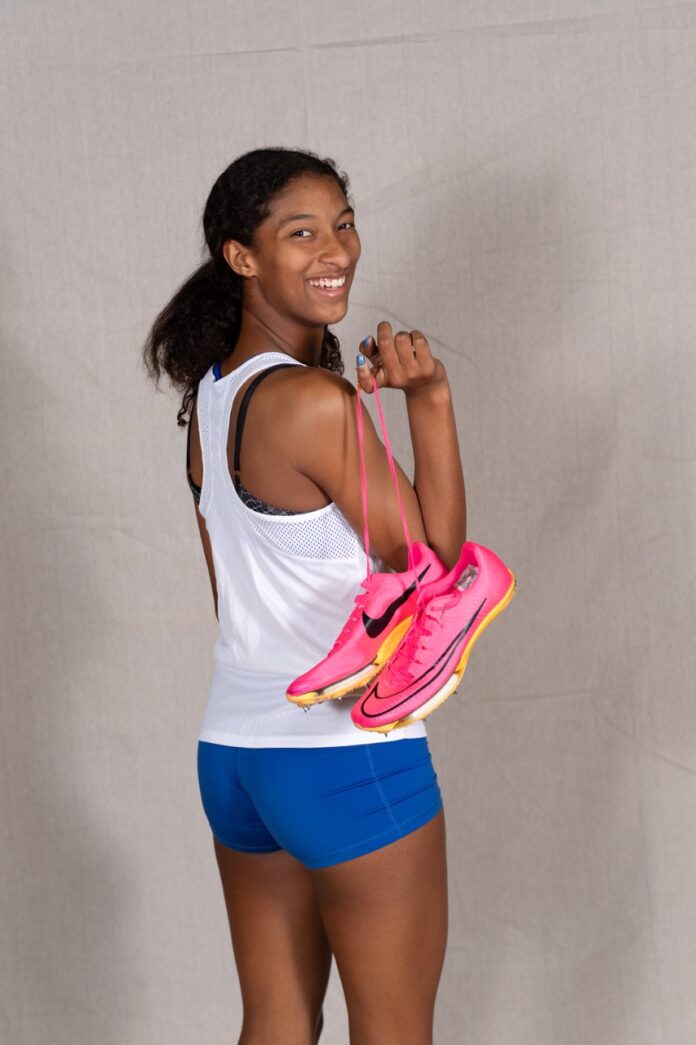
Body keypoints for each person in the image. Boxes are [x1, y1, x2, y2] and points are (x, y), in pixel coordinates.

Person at [142, 146, 467, 1045]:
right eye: (301, 232)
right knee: (393, 1030)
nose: (337, 250)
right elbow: (439, 568)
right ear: (241, 257)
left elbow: (229, 599)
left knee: (277, 1022)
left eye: (344, 223)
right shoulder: (314, 404)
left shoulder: (211, 403)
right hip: (342, 752)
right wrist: (431, 399)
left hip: (237, 755)